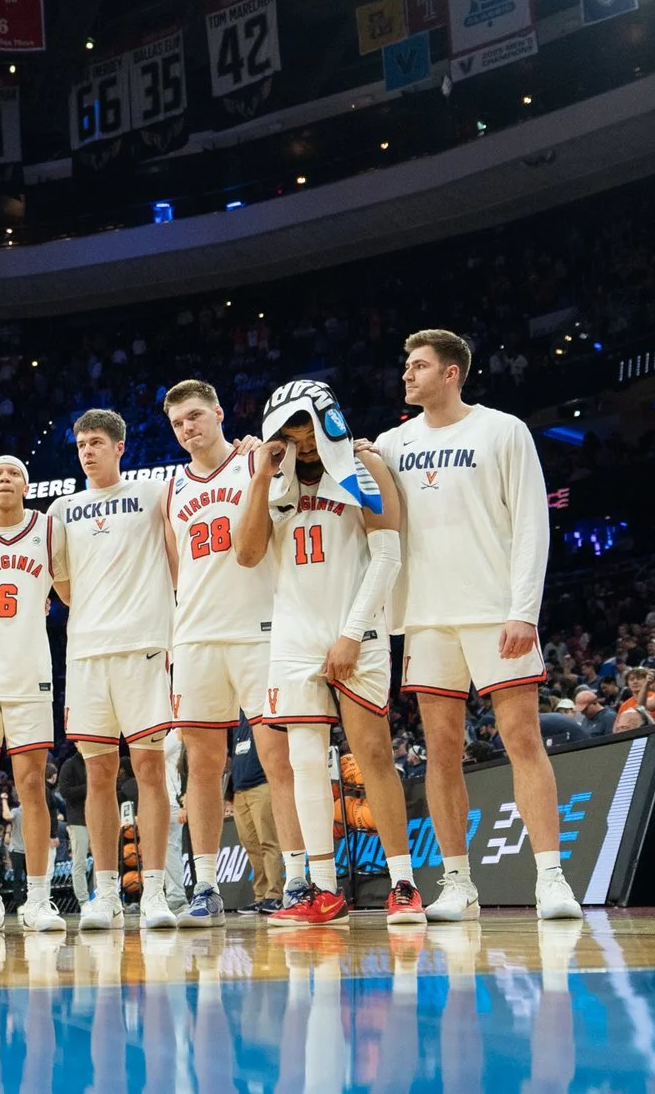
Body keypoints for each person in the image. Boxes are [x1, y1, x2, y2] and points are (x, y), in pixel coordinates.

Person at [377, 329, 581, 923]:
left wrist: (524, 609)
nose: (407, 375)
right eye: (405, 365)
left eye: (418, 366)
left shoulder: (503, 430)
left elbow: (530, 526)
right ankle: (458, 883)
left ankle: (551, 878)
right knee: (441, 753)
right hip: (426, 618)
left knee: (522, 740)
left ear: (451, 373)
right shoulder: (391, 443)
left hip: (495, 612)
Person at [241, 379, 423, 926]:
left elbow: (386, 558)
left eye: (307, 423)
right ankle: (319, 890)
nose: (302, 437)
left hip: (357, 633)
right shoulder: (275, 482)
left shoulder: (366, 467)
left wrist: (351, 633)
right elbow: (247, 554)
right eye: (289, 429)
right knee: (302, 765)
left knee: (373, 757)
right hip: (293, 636)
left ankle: (403, 884)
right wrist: (258, 479)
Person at [161, 379, 303, 926]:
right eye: (178, 423)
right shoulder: (170, 489)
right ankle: (206, 885)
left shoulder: (254, 463)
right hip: (195, 638)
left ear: (219, 413)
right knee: (203, 768)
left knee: (278, 761)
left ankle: (296, 878)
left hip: (260, 631)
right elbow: (176, 572)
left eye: (195, 416)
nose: (188, 428)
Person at [52, 413, 179, 931]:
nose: (87, 451)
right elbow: (62, 586)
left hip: (144, 648)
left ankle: (154, 890)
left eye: (97, 443)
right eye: (81, 444)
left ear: (120, 447)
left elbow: (177, 562)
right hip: (86, 654)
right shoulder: (61, 510)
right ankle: (104, 892)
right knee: (99, 774)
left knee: (150, 770)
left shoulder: (152, 493)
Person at [0, 454, 70, 933]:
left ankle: (39, 900)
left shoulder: (49, 530)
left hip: (29, 675)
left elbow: (70, 592)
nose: (5, 479)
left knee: (31, 788)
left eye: (13, 473)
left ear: (26, 485)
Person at [225, 719, 282, 910]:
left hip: (262, 783)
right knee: (250, 844)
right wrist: (229, 793)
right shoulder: (235, 714)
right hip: (239, 788)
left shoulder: (261, 704)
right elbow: (230, 753)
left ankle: (275, 894)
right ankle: (260, 896)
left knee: (268, 841)